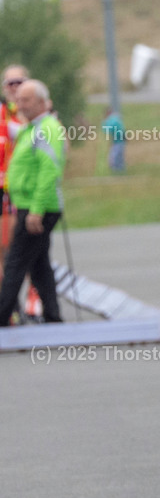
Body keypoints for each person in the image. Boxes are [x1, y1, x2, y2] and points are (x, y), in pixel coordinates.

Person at [0, 80, 65, 327]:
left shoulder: (47, 128)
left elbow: (49, 172)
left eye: (26, 100)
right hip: (30, 205)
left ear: (41, 102)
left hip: (39, 207)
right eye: (18, 100)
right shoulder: (31, 128)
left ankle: (2, 316)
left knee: (16, 262)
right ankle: (53, 316)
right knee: (39, 265)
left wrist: (36, 211)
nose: (20, 104)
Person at [0, 65, 28, 312]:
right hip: (5, 190)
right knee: (5, 249)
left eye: (19, 82)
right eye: (10, 83)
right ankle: (8, 307)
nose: (15, 87)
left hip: (28, 190)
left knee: (29, 251)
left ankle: (33, 305)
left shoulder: (36, 112)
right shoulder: (2, 114)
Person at [101, 107, 126, 172]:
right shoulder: (116, 118)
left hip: (117, 140)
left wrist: (104, 122)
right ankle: (120, 168)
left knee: (115, 154)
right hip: (120, 139)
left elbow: (106, 129)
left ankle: (116, 168)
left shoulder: (111, 120)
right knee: (119, 154)